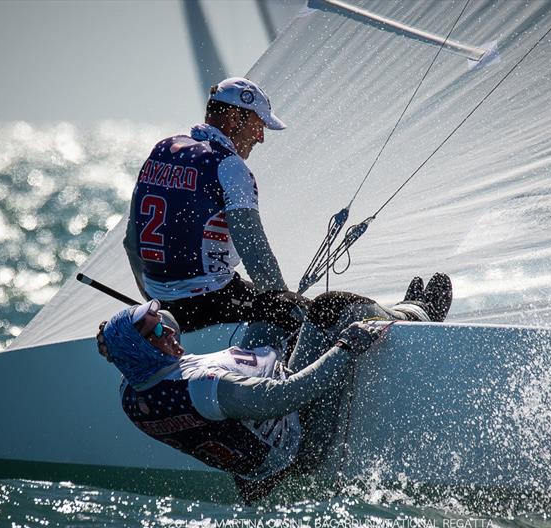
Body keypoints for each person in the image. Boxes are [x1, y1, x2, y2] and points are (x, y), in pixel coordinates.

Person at [96, 274, 453, 502]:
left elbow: (164, 328)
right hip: (302, 433)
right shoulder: (205, 388)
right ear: (139, 349)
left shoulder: (133, 392)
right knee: (333, 307)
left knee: (271, 308)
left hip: (261, 443)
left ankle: (316, 322)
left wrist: (116, 338)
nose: (170, 332)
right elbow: (288, 396)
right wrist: (346, 346)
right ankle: (418, 312)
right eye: (156, 332)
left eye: (161, 323)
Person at [123, 77, 295, 333]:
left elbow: (131, 243)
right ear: (235, 118)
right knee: (315, 314)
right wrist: (286, 306)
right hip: (209, 302)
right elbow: (255, 254)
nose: (260, 138)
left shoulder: (162, 151)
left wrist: (154, 304)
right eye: (258, 125)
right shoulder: (229, 167)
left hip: (162, 304)